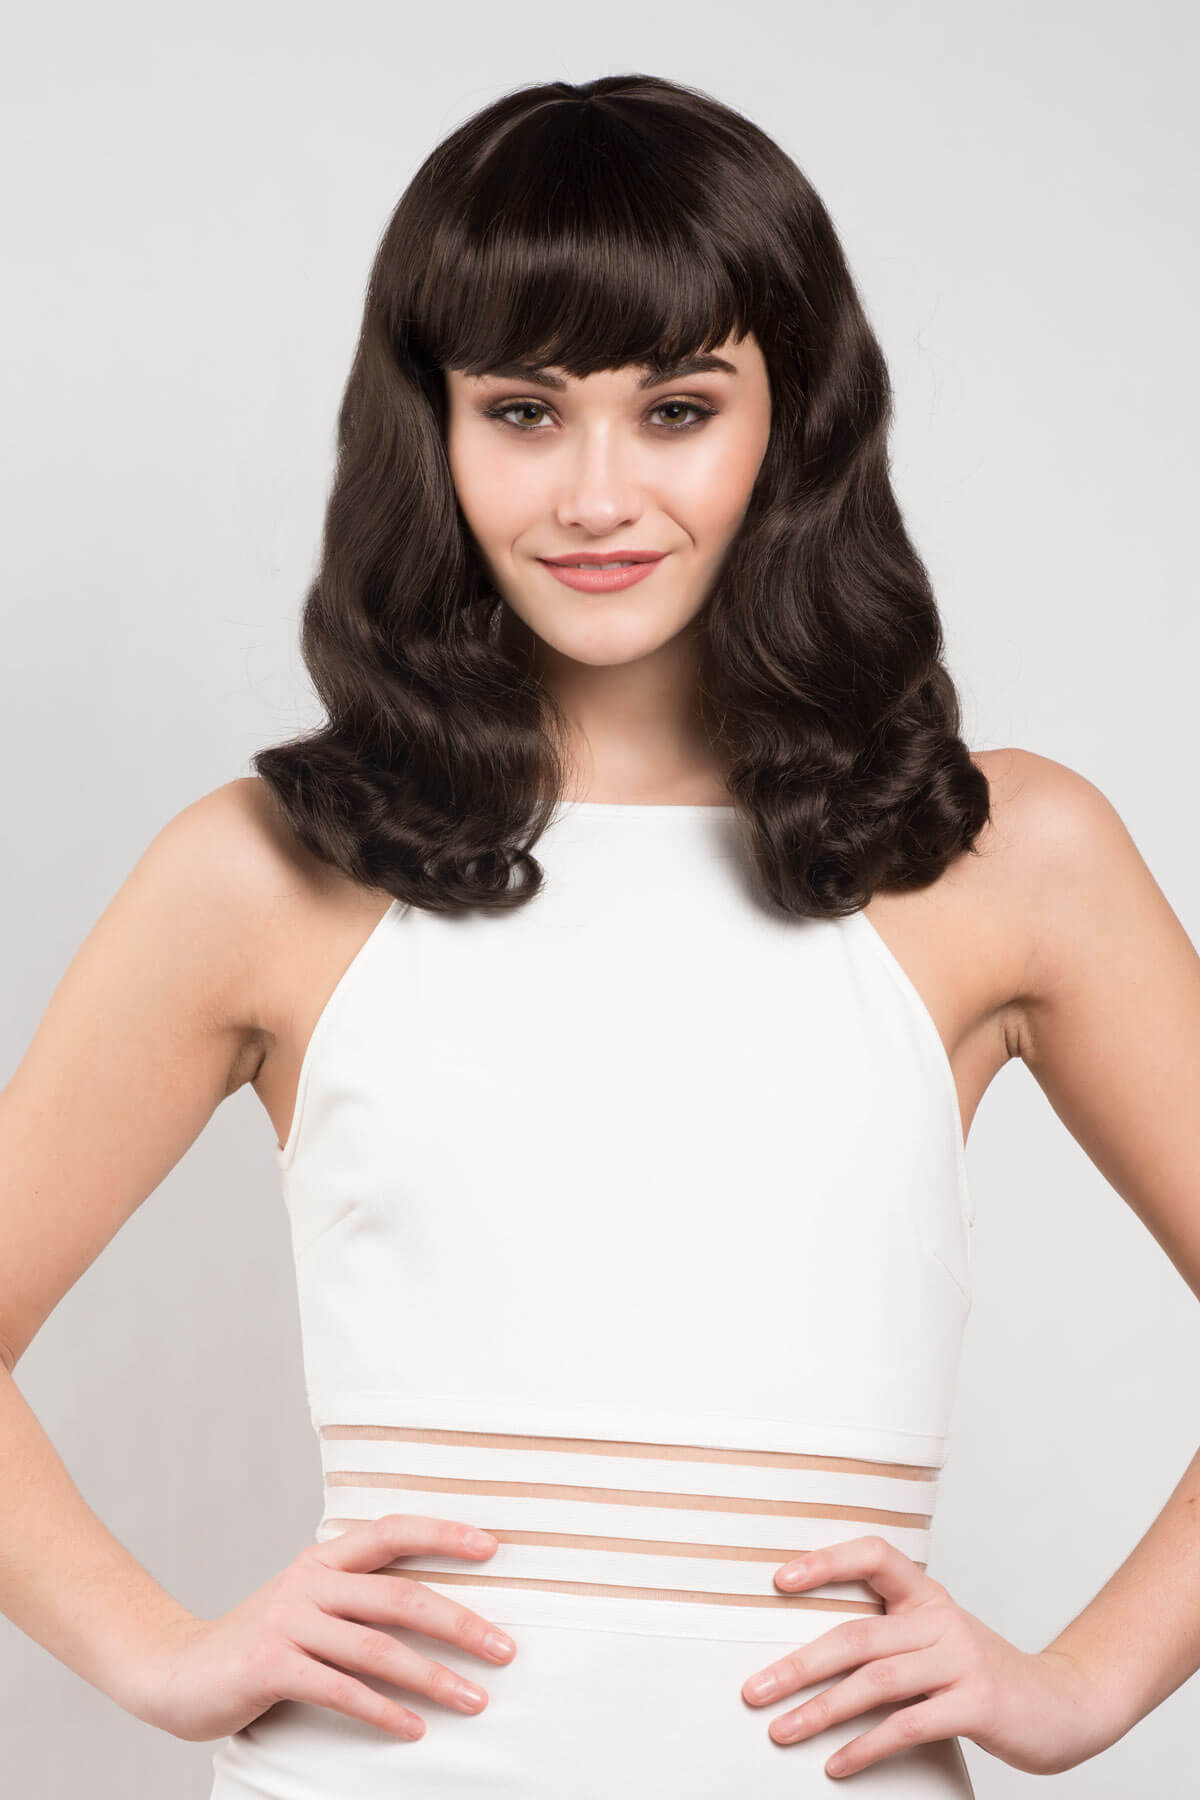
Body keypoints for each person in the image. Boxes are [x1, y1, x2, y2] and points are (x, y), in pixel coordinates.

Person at [2, 71, 1198, 1800]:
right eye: (525, 410)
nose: (596, 495)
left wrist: (1083, 1691)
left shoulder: (1012, 860)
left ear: (791, 420)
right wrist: (162, 1656)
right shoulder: (267, 871)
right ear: (435, 426)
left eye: (677, 407)